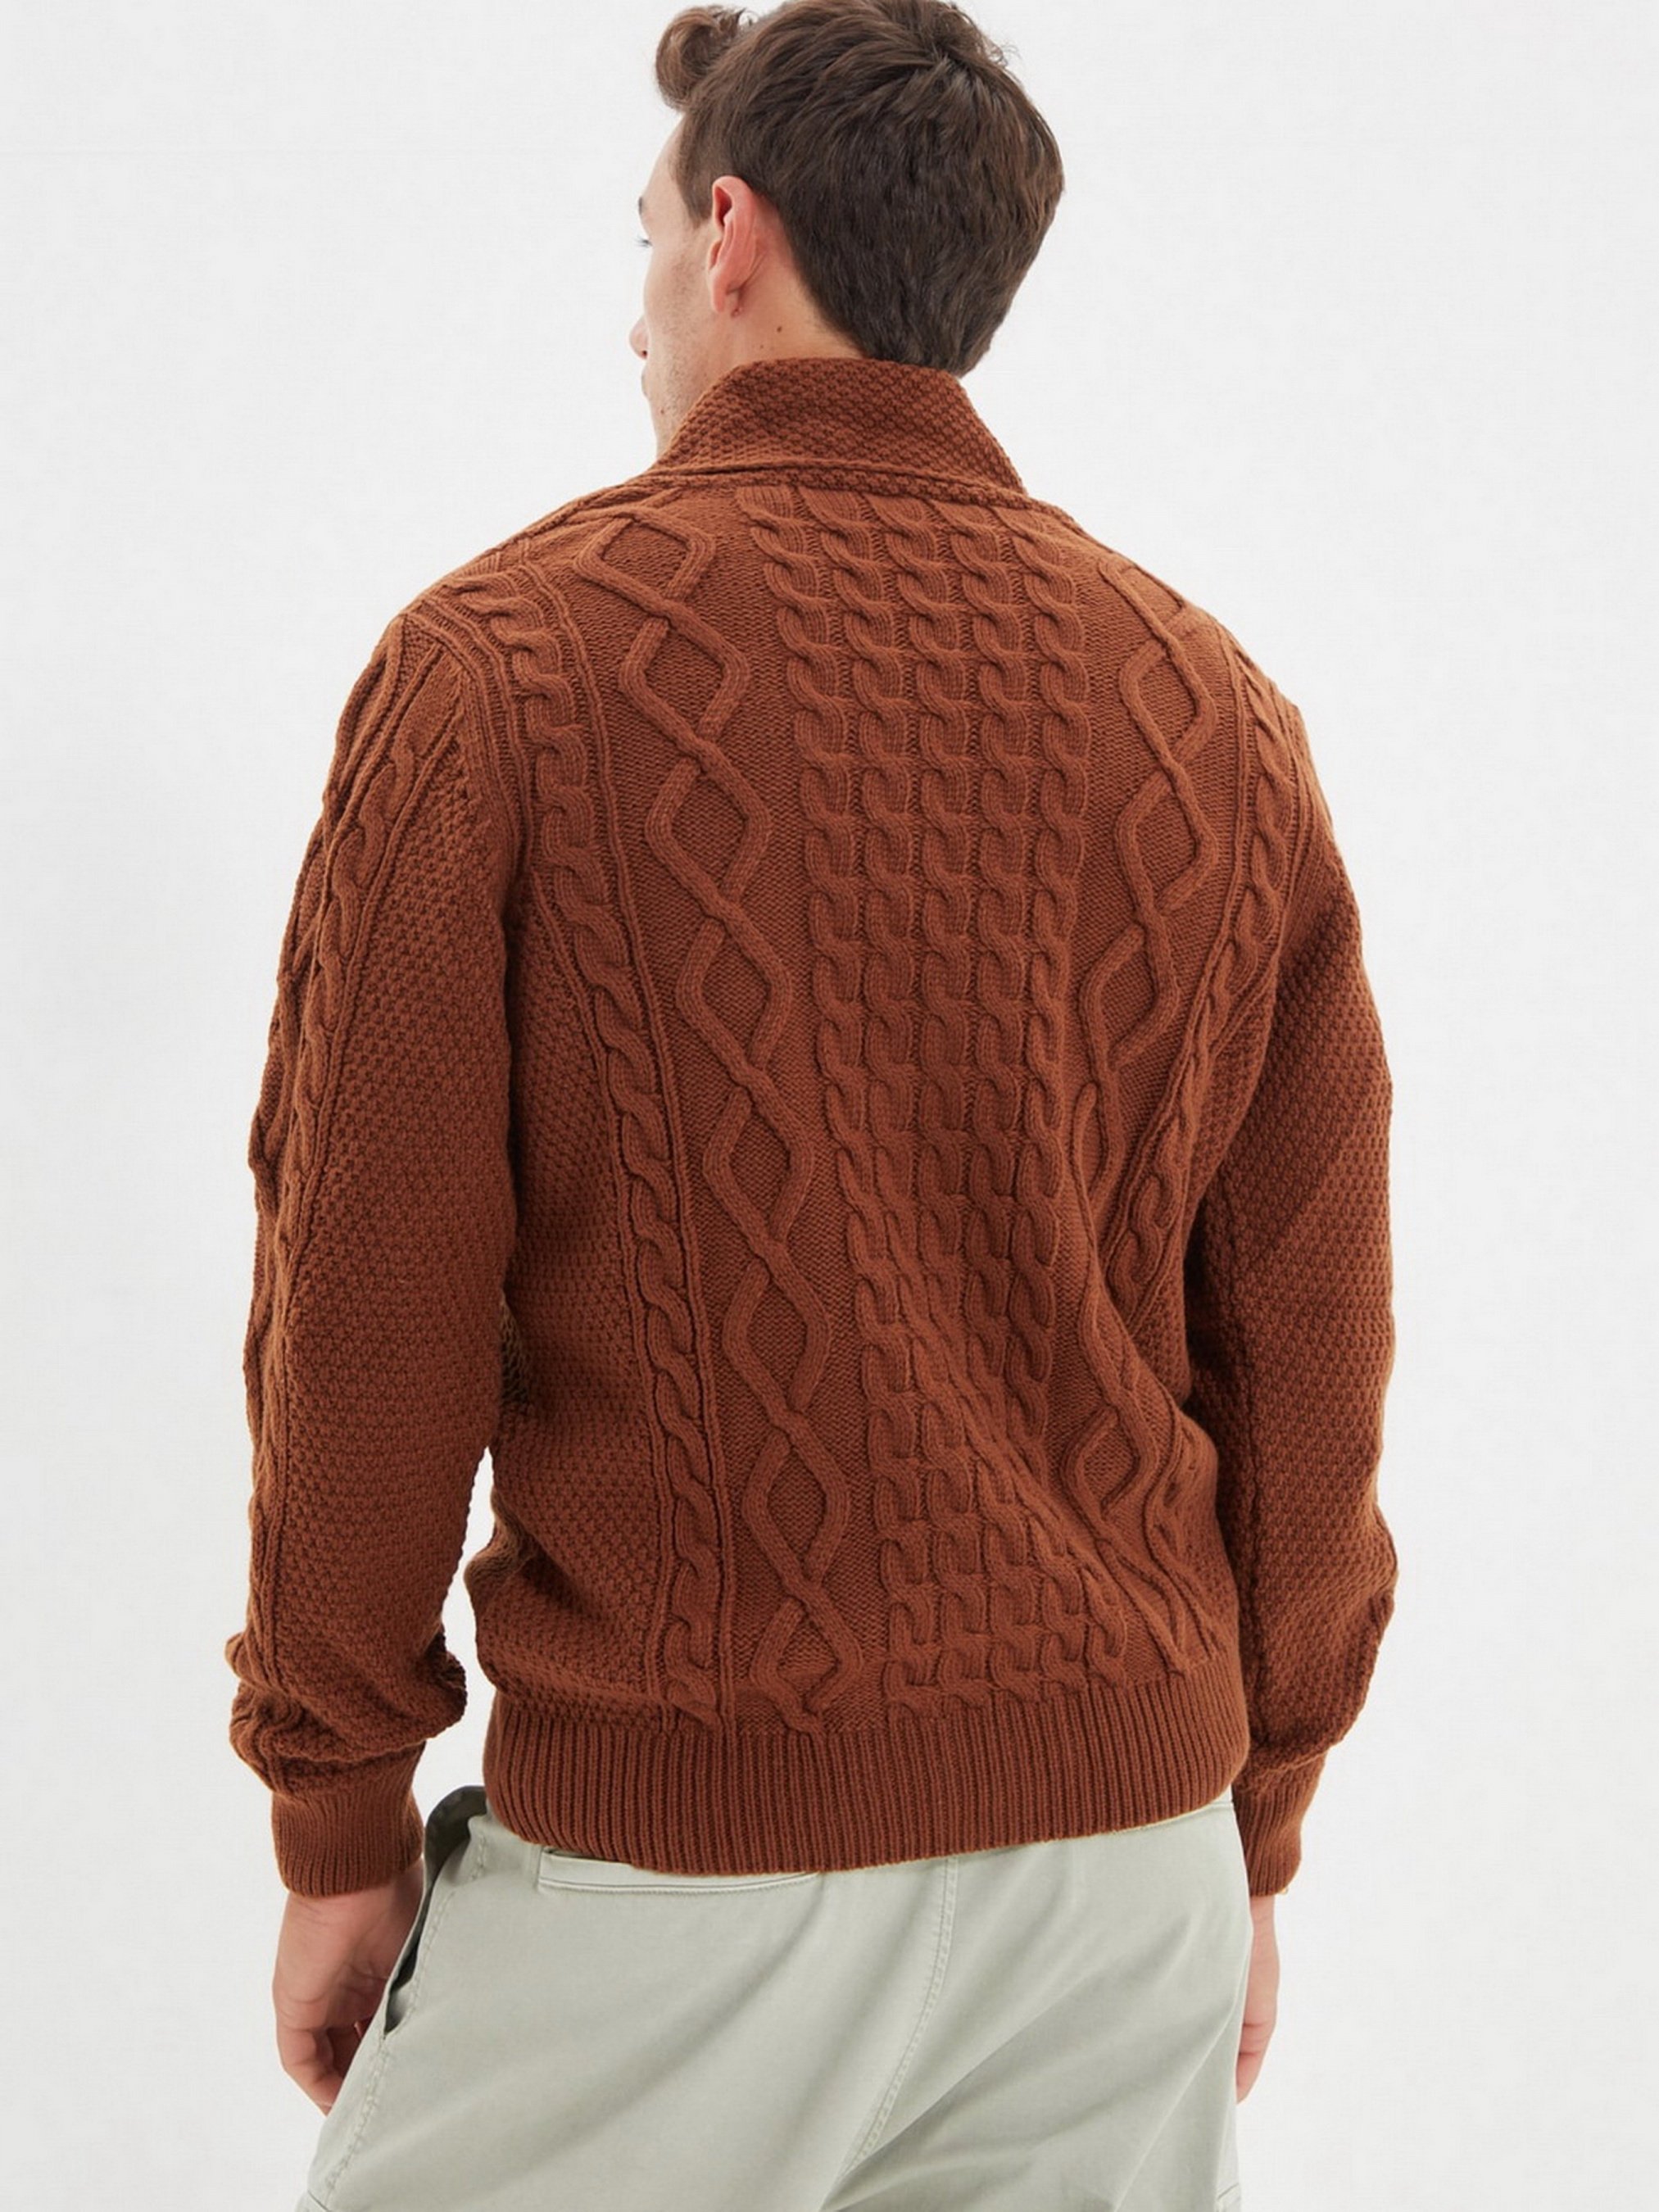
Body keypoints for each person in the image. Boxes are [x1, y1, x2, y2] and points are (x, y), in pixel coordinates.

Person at [224, 3, 1399, 2207]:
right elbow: (1307, 1340)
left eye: (646, 235)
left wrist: (338, 1817)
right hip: (1116, 1873)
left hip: (683, 1863)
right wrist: (1243, 1832)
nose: (637, 308)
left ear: (732, 236)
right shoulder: (1215, 716)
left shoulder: (497, 671)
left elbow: (369, 1303)